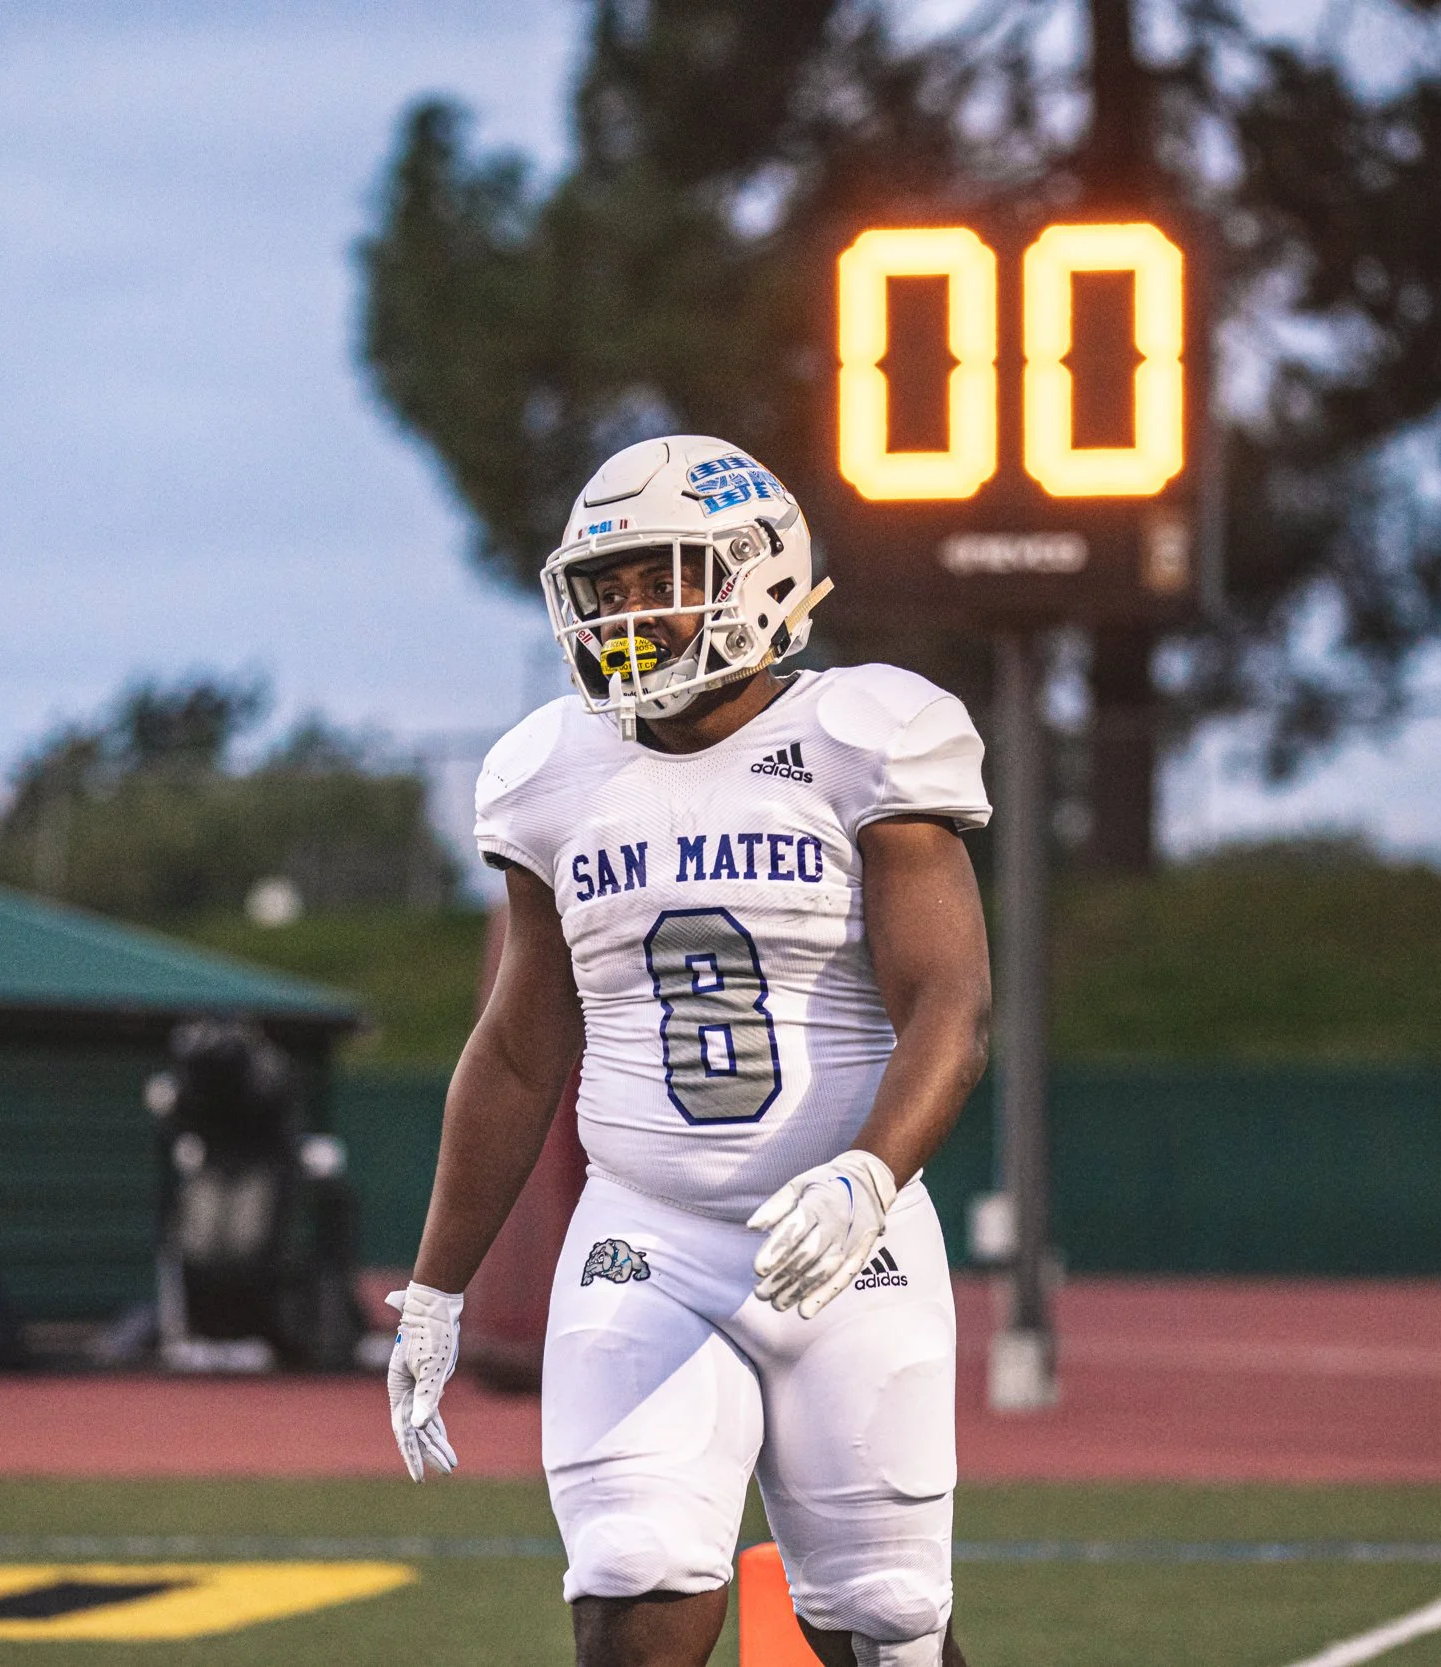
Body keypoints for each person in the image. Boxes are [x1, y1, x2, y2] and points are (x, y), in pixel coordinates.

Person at [386, 435, 993, 1667]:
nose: (623, 614)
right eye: (602, 587)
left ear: (757, 572)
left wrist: (868, 1173)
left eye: (655, 579)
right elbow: (517, 1047)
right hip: (645, 1237)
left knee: (882, 1618)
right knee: (629, 1581)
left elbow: (949, 1003)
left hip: (848, 1240)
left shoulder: (864, 731)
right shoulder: (551, 772)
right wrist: (436, 1289)